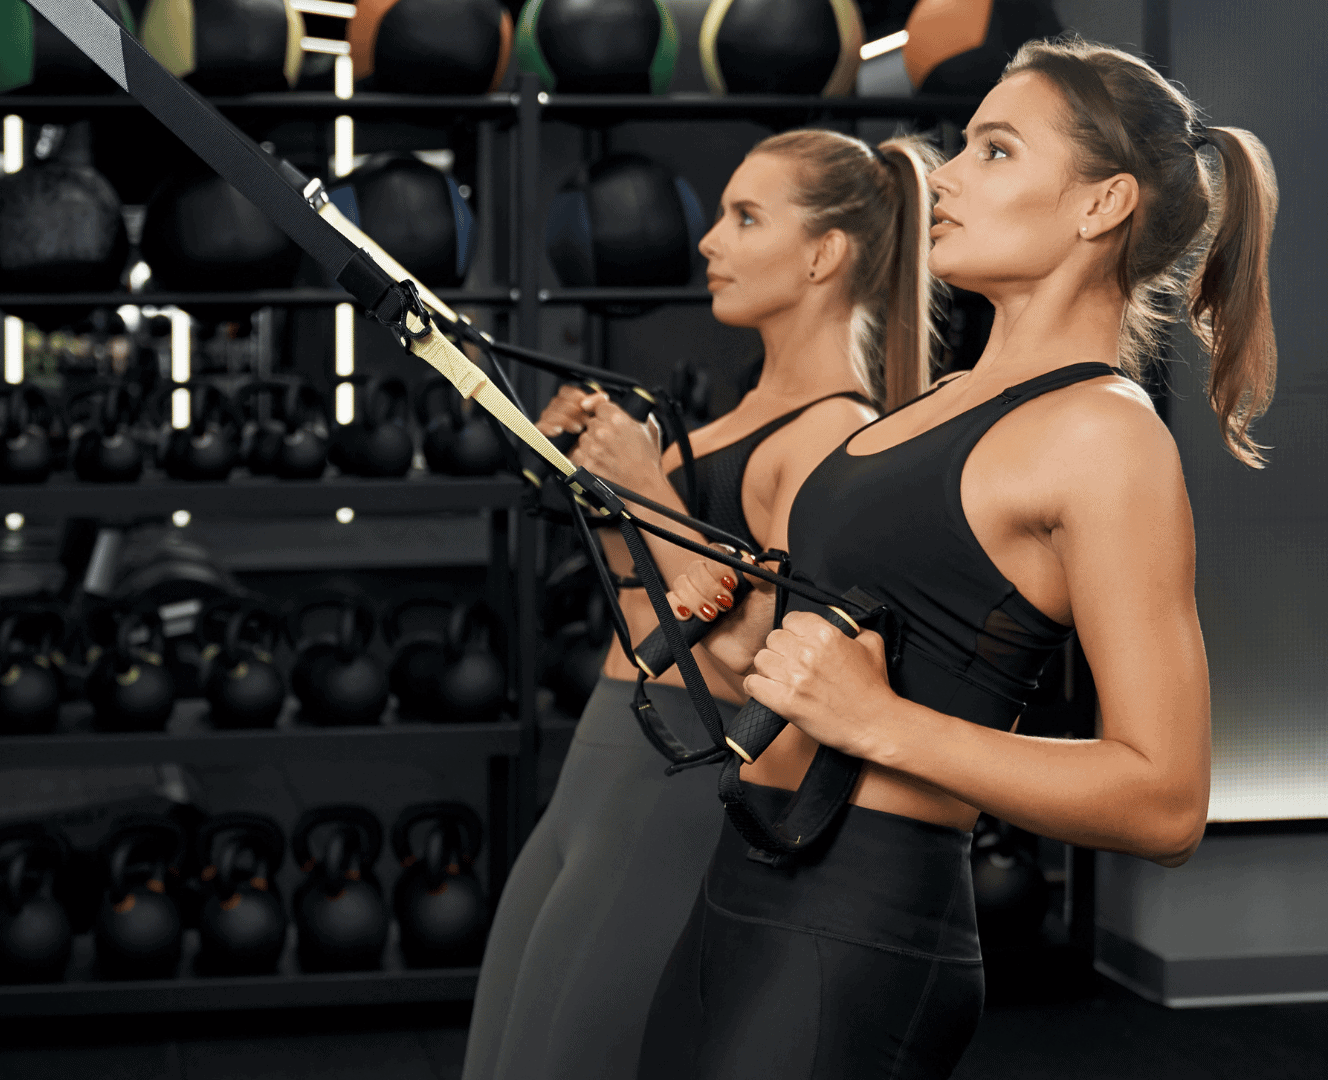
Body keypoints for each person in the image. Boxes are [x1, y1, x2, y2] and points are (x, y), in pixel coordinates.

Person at [640, 37, 1278, 1079]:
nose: (943, 174)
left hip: (859, 919)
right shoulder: (938, 401)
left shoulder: (1103, 435)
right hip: (747, 867)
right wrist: (746, 628)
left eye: (994, 150)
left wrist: (881, 721)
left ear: (1100, 204)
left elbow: (1165, 799)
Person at [462, 129, 944, 1080]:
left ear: (823, 254)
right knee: (500, 1058)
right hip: (600, 761)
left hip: (674, 782)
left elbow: (769, 669)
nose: (708, 242)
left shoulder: (833, 433)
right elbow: (648, 608)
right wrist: (588, 481)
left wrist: (644, 490)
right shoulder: (735, 414)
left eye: (744, 217)